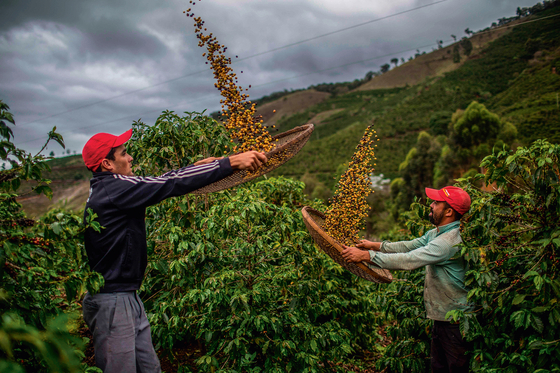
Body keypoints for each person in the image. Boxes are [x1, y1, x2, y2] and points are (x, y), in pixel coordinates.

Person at [80, 128, 267, 373]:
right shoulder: (115, 189)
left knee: (149, 368)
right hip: (114, 301)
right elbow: (169, 183)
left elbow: (162, 180)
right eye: (124, 154)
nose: (130, 158)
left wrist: (196, 168)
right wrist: (230, 162)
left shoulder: (109, 187)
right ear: (107, 164)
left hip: (125, 296)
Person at [341, 186, 472, 373]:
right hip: (443, 317)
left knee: (454, 368)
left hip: (455, 321)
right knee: (438, 367)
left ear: (449, 211)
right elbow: (410, 246)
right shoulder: (437, 233)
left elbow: (409, 259)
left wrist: (367, 256)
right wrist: (375, 245)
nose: (431, 205)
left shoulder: (448, 242)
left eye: (436, 203)